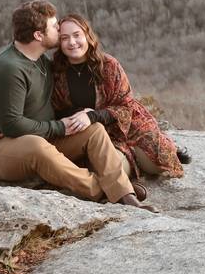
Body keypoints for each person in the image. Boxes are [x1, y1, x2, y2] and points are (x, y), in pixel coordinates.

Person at [0, 0, 153, 210]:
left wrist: (87, 113)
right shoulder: (9, 68)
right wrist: (60, 126)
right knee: (36, 146)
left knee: (93, 129)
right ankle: (102, 189)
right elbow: (11, 125)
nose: (59, 29)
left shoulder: (39, 59)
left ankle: (126, 196)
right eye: (54, 26)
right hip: (0, 146)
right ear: (38, 36)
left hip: (43, 135)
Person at [51, 13, 189, 184]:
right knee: (111, 168)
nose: (72, 42)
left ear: (87, 35)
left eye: (77, 35)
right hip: (96, 136)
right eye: (65, 38)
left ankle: (167, 147)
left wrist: (92, 115)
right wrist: (81, 113)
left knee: (157, 163)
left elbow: (125, 106)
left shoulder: (109, 65)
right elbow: (56, 109)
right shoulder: (56, 72)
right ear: (59, 43)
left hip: (129, 126)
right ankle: (131, 159)